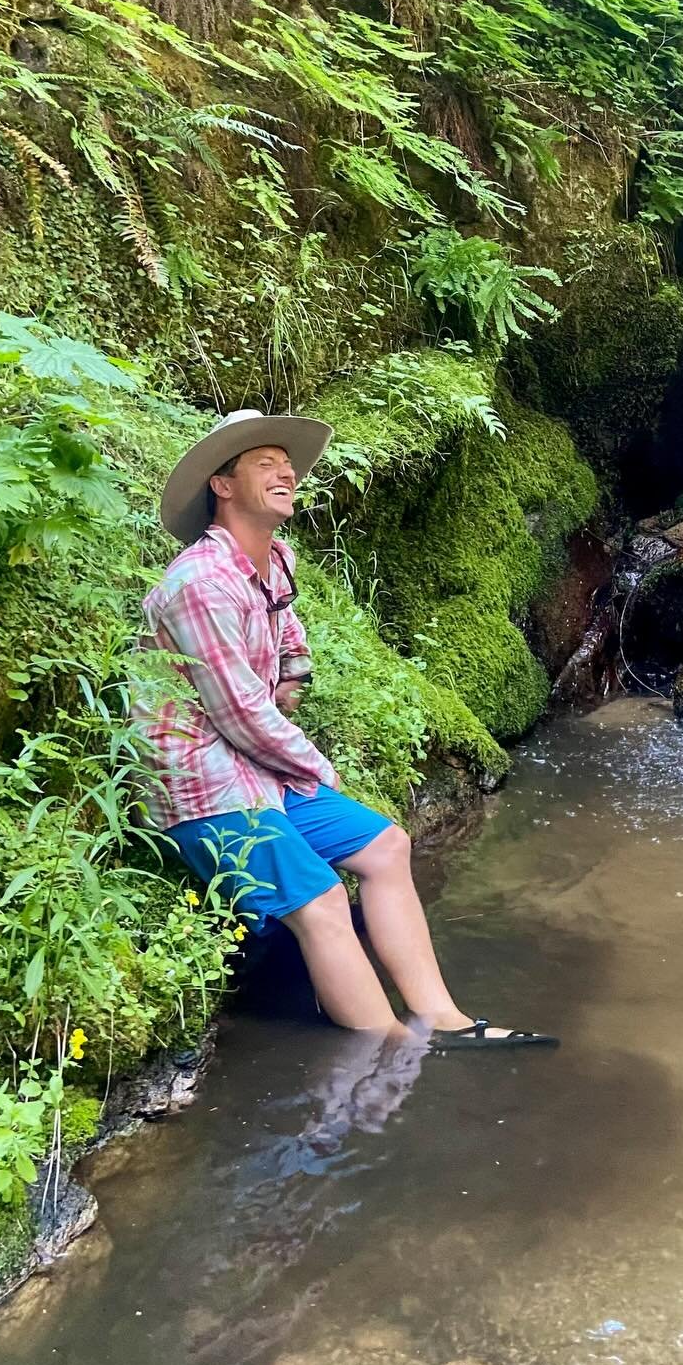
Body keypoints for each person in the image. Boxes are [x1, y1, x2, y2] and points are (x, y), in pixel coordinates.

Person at [140, 408, 557, 1050]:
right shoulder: (199, 583)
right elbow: (239, 714)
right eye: (264, 463)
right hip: (203, 784)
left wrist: (292, 674)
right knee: (324, 901)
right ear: (222, 486)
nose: (286, 471)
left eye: (287, 463)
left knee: (387, 847)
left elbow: (287, 637)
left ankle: (442, 1019)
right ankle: (394, 1050)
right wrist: (314, 765)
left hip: (257, 772)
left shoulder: (273, 560)